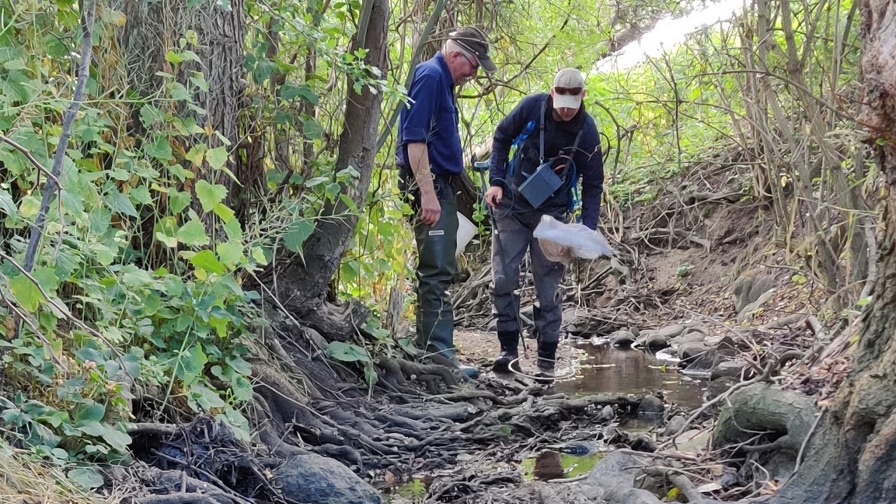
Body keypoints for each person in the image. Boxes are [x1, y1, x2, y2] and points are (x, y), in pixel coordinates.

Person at [485, 68, 604, 382]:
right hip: (510, 205)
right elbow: (501, 137)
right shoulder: (532, 107)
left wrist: (587, 228)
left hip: (552, 218)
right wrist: (495, 182)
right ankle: (508, 352)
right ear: (552, 92)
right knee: (503, 279)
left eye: (572, 103)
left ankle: (546, 363)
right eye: (561, 101)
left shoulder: (588, 132)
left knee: (548, 289)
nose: (565, 110)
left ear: (583, 97)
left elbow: (594, 183)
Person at [396, 27, 497, 378]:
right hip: (430, 184)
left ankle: (433, 353)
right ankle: (439, 357)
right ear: (456, 56)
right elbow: (415, 141)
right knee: (436, 271)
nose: (474, 74)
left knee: (438, 267)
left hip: (441, 185)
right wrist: (427, 193)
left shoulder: (443, 81)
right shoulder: (431, 76)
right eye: (473, 66)